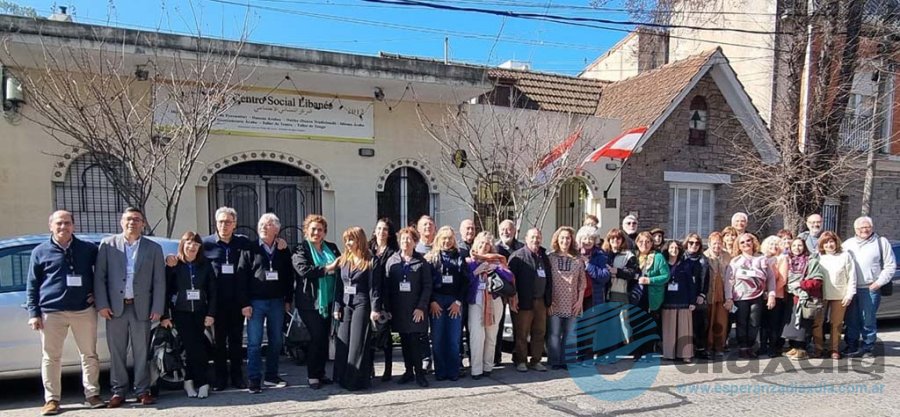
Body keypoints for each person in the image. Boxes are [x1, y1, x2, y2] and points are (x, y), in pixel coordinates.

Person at [27, 210, 104, 415]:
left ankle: (92, 395)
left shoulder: (88, 249)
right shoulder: (40, 251)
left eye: (68, 223)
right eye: (59, 223)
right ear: (51, 226)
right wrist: (34, 313)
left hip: (83, 310)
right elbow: (32, 285)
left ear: (74, 226)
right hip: (52, 312)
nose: (64, 227)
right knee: (51, 357)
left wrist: (98, 295)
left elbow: (102, 275)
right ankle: (52, 400)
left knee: (89, 355)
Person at [94, 208, 165, 407]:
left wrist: (158, 307)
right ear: (121, 222)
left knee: (141, 351)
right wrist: (102, 304)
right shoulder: (108, 245)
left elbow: (159, 281)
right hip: (115, 308)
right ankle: (118, 391)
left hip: (141, 307)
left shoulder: (153, 248)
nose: (132, 222)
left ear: (143, 223)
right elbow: (100, 277)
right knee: (116, 352)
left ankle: (142, 390)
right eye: (128, 219)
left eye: (137, 219)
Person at [239, 213, 294, 393]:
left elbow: (288, 275)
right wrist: (244, 303)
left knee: (276, 340)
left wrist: (288, 299)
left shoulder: (283, 249)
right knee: (254, 342)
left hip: (277, 302)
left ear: (276, 229)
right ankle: (254, 379)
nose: (263, 226)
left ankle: (271, 376)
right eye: (261, 223)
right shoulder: (250, 248)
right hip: (255, 302)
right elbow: (242, 275)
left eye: (268, 224)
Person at [160, 231, 217, 398]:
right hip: (181, 313)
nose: (192, 247)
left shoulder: (205, 265)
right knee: (194, 348)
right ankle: (203, 382)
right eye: (189, 243)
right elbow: (165, 291)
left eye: (196, 244)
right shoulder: (174, 265)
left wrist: (211, 313)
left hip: (200, 312)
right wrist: (165, 315)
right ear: (183, 245)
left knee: (197, 348)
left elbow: (213, 291)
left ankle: (189, 381)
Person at [203, 207, 251, 391]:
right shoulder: (206, 243)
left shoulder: (243, 243)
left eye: (228, 222)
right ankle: (220, 378)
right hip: (216, 303)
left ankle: (238, 377)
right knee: (219, 343)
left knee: (237, 342)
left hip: (238, 301)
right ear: (216, 223)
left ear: (235, 224)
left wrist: (279, 242)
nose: (224, 225)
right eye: (221, 221)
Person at [292, 214, 340, 390]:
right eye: (313, 229)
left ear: (325, 232)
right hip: (310, 302)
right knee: (317, 337)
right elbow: (304, 270)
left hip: (329, 301)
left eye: (320, 230)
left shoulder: (332, 248)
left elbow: (341, 267)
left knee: (324, 339)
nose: (317, 233)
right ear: (306, 231)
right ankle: (312, 376)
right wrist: (328, 268)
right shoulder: (300, 249)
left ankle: (321, 373)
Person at [385, 227, 433, 387]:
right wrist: (388, 309)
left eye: (409, 239)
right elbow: (387, 287)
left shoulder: (421, 262)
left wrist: (421, 307)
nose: (405, 242)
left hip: (416, 309)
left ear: (415, 242)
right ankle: (408, 372)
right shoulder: (392, 261)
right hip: (399, 310)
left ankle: (420, 373)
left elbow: (427, 286)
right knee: (405, 341)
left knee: (415, 341)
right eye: (403, 239)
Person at [843, 216, 896, 358]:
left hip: (870, 288)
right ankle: (851, 345)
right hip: (852, 288)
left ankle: (868, 347)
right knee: (851, 319)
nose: (864, 230)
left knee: (868, 319)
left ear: (871, 228)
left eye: (867, 227)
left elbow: (890, 266)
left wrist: (878, 283)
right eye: (861, 228)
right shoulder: (848, 244)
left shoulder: (881, 242)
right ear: (855, 229)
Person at [333, 226, 376, 391]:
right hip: (345, 303)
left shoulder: (370, 260)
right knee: (343, 340)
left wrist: (375, 308)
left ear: (360, 240)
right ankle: (340, 376)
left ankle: (355, 379)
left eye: (351, 240)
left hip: (362, 303)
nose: (348, 243)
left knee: (357, 343)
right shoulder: (343, 259)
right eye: (346, 240)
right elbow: (339, 285)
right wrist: (337, 306)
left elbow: (374, 287)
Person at [466, 231, 512, 379]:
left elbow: (510, 276)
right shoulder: (469, 262)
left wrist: (496, 269)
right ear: (476, 243)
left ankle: (487, 366)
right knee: (476, 336)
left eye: (487, 244)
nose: (484, 246)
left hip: (494, 301)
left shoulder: (497, 260)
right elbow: (464, 283)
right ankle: (476, 369)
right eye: (481, 243)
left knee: (491, 336)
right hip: (476, 302)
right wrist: (475, 273)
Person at [425, 226, 469, 381]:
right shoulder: (431, 258)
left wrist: (458, 301)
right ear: (438, 240)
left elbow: (465, 282)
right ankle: (440, 371)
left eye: (449, 238)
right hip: (437, 300)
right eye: (443, 238)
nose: (446, 241)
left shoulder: (460, 257)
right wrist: (432, 301)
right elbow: (427, 283)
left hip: (454, 301)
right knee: (437, 339)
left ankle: (453, 371)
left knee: (453, 338)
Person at [509, 228, 553, 372]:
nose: (536, 240)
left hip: (541, 301)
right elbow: (510, 280)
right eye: (533, 237)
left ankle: (536, 360)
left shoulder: (544, 256)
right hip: (524, 301)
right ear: (526, 239)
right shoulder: (518, 256)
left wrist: (548, 300)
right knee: (522, 332)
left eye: (538, 237)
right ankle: (521, 360)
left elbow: (549, 279)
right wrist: (513, 297)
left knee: (539, 332)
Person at [726, 233, 776, 359]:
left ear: (753, 242)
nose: (746, 244)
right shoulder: (735, 261)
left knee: (754, 322)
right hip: (740, 296)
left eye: (748, 241)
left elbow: (770, 278)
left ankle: (750, 346)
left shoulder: (762, 259)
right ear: (739, 245)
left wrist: (771, 295)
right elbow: (729, 280)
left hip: (757, 296)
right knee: (741, 322)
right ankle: (742, 347)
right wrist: (728, 297)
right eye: (742, 242)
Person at [810, 231, 856, 360]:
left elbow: (852, 276)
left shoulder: (845, 256)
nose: (829, 245)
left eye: (831, 241)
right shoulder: (817, 257)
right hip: (821, 295)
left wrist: (849, 294)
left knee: (836, 323)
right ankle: (818, 348)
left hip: (839, 294)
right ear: (821, 245)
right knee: (817, 322)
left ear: (836, 242)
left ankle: (834, 349)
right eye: (826, 242)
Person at [546, 227, 586, 370]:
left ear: (572, 240)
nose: (565, 240)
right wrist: (548, 301)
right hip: (555, 302)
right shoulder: (550, 258)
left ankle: (568, 361)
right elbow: (547, 281)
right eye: (562, 237)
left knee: (570, 334)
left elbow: (582, 282)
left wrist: (580, 300)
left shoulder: (578, 259)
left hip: (572, 302)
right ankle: (555, 361)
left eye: (568, 238)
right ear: (557, 239)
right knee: (554, 334)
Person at [601, 228, 640, 363]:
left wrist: (616, 271)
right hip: (605, 294)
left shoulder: (629, 255)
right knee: (608, 324)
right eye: (612, 239)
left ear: (622, 240)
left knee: (622, 324)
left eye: (618, 238)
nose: (615, 241)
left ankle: (629, 351)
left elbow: (633, 273)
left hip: (621, 293)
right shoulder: (605, 254)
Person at [781, 239, 824, 360]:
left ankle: (802, 350)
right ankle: (794, 347)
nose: (796, 248)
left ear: (804, 247)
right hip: (791, 296)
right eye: (794, 245)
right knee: (793, 324)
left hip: (805, 298)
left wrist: (801, 284)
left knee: (803, 324)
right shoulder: (788, 261)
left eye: (799, 245)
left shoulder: (812, 261)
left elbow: (817, 281)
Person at [369, 218, 398, 381]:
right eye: (379, 228)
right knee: (371, 334)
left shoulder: (394, 251)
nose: (381, 232)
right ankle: (370, 367)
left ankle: (388, 369)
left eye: (385, 229)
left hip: (387, 299)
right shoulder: (368, 249)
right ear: (375, 231)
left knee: (385, 336)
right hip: (371, 297)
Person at [634, 231, 669, 359]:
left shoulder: (658, 257)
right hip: (636, 295)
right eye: (641, 241)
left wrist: (650, 280)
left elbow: (666, 276)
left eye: (648, 242)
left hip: (652, 295)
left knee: (649, 324)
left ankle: (648, 351)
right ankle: (637, 351)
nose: (644, 244)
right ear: (637, 243)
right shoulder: (634, 256)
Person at [661, 240, 697, 362]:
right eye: (671, 247)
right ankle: (669, 354)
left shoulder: (685, 264)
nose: (674, 250)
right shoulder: (663, 263)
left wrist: (692, 301)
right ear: (667, 249)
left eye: (676, 248)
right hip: (667, 300)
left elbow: (691, 284)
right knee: (669, 329)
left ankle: (685, 354)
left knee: (684, 329)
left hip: (683, 300)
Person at [493, 218, 523, 366]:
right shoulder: (494, 248)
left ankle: (518, 356)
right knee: (497, 326)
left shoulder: (521, 248)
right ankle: (496, 356)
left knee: (518, 326)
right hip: (498, 292)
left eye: (509, 229)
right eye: (503, 229)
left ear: (514, 231)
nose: (506, 232)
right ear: (499, 231)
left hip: (516, 292)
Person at [704, 232, 733, 357]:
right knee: (709, 321)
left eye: (719, 243)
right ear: (710, 244)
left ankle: (719, 345)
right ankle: (708, 346)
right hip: (710, 292)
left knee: (721, 321)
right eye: (714, 243)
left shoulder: (727, 256)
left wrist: (729, 296)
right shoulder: (705, 256)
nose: (717, 246)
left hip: (723, 292)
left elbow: (731, 275)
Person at [758, 236, 787, 357]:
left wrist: (771, 292)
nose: (773, 247)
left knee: (774, 323)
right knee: (763, 323)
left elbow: (782, 279)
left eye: (776, 245)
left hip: (777, 296)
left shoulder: (782, 259)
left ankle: (772, 347)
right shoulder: (762, 258)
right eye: (771, 245)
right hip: (761, 295)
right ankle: (762, 346)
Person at [683, 233, 710, 359]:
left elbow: (706, 279)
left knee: (700, 324)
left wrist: (702, 295)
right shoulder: (681, 258)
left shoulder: (703, 260)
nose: (694, 245)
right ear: (686, 243)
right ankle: (686, 349)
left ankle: (700, 348)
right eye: (691, 243)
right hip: (684, 296)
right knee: (685, 324)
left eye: (697, 243)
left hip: (698, 296)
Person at [578, 225, 609, 308]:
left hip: (593, 297)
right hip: (576, 296)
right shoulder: (574, 254)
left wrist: (588, 264)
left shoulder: (600, 255)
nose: (587, 241)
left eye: (591, 238)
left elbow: (604, 277)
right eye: (584, 238)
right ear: (580, 240)